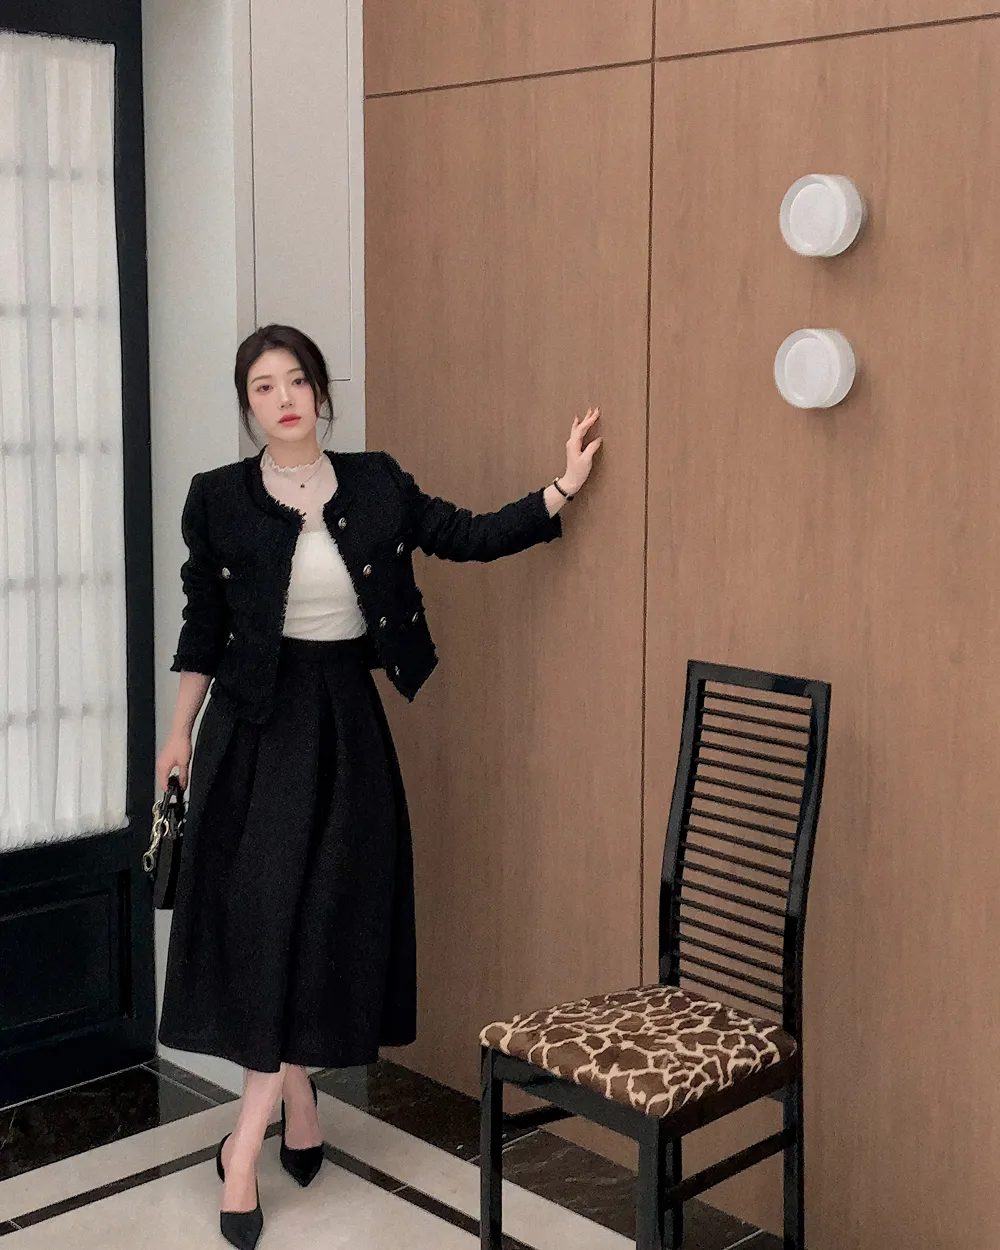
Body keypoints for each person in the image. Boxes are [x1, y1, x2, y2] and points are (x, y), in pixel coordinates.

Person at [155, 323, 602, 1250]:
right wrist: (178, 735)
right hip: (251, 733)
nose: (283, 398)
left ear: (321, 392)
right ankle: (254, 1143)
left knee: (320, 922)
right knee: (267, 924)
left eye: (296, 380)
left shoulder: (376, 484)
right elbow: (204, 624)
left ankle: (286, 1112)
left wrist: (559, 488)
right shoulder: (218, 497)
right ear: (248, 406)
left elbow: (468, 536)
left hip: (344, 729)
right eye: (263, 386)